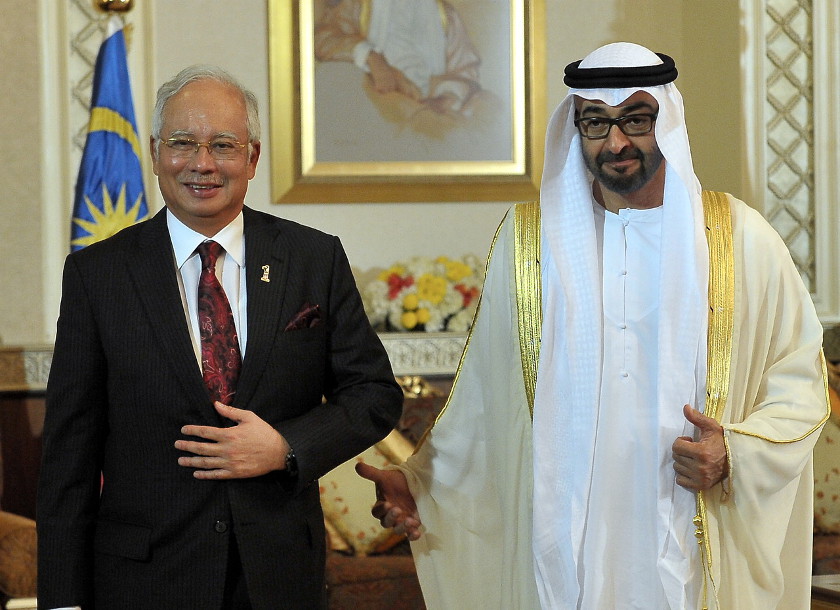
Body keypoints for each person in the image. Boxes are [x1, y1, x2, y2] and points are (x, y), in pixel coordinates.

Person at [357, 42, 829, 608]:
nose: (616, 142)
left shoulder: (738, 239)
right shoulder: (530, 245)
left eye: (635, 119)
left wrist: (734, 453)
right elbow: (486, 397)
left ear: (667, 119)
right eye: (596, 124)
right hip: (570, 535)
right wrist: (419, 483)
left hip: (691, 525)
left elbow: (800, 380)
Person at [37, 65, 403, 610]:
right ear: (157, 151)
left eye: (223, 145)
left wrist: (286, 447)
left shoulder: (313, 258)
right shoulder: (98, 275)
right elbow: (69, 452)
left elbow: (374, 394)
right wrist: (64, 601)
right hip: (143, 580)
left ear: (252, 158)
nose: (202, 163)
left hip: (279, 577)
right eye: (183, 143)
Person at [314, 0, 483, 116]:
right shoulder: (358, 5)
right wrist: (372, 57)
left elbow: (466, 70)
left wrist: (446, 98)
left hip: (429, 117)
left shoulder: (446, 15)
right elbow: (323, 40)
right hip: (375, 111)